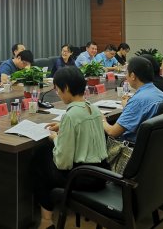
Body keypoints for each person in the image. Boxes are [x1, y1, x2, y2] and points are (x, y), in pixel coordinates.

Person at [33, 66, 108, 229]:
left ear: (66, 88)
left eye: (58, 89)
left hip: (83, 177)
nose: (57, 93)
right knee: (44, 156)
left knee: (39, 159)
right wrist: (63, 127)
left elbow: (63, 162)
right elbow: (83, 127)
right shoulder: (94, 108)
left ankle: (46, 221)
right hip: (102, 173)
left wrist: (55, 138)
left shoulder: (70, 115)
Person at [103, 56, 163, 143]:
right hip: (156, 145)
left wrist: (101, 119)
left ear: (133, 76)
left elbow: (113, 132)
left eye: (127, 72)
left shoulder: (138, 100)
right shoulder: (162, 95)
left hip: (132, 147)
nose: (126, 76)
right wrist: (128, 106)